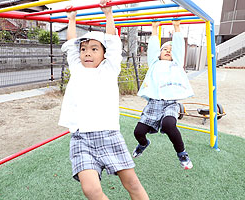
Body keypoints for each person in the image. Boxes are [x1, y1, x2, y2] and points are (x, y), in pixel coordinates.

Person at [58, 0, 149, 199]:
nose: (87, 53)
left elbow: (114, 42)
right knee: (91, 190)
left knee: (132, 183)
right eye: (84, 49)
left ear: (104, 54)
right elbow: (71, 46)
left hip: (108, 134)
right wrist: (71, 19)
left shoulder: (110, 69)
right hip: (81, 137)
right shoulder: (76, 67)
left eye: (94, 49)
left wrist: (109, 14)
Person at [132, 20, 194, 170]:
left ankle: (182, 154)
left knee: (169, 124)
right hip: (154, 103)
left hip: (170, 103)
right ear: (159, 54)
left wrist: (177, 27)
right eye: (165, 49)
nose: (168, 51)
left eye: (171, 50)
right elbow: (153, 48)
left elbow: (179, 48)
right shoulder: (154, 63)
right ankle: (143, 143)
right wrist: (154, 29)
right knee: (138, 132)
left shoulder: (176, 63)